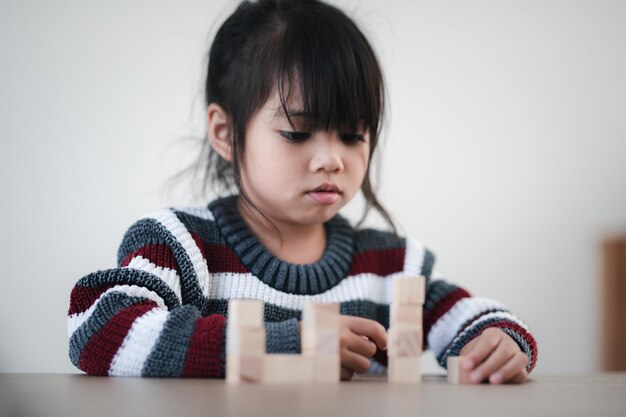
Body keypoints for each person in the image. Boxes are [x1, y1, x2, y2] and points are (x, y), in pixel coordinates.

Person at [67, 0, 537, 382]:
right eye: (297, 133)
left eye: (353, 136)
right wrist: (290, 344)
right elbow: (99, 331)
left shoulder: (389, 268)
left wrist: (497, 340)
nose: (332, 159)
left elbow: (469, 317)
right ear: (225, 132)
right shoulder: (180, 245)